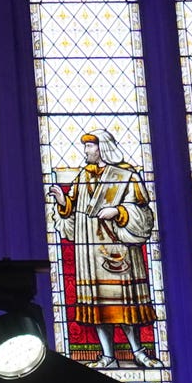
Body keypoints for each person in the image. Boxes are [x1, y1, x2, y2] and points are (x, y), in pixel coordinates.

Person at [49, 130, 160, 367]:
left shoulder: (125, 175)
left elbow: (143, 212)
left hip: (118, 248)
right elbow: (75, 207)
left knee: (125, 305)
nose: (86, 151)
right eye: (87, 147)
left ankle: (138, 352)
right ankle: (108, 356)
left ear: (103, 148)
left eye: (90, 147)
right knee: (99, 305)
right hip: (90, 250)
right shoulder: (83, 176)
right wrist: (62, 201)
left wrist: (119, 212)